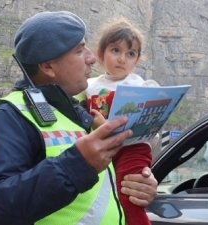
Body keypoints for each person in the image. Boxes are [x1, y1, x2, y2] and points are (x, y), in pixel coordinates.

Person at [0, 11, 158, 225]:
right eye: (79, 51)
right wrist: (76, 166)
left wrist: (138, 185)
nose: (92, 58)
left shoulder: (83, 112)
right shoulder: (6, 117)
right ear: (47, 67)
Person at [77, 17, 159, 225]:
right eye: (115, 50)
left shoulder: (141, 86)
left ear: (137, 60)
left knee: (129, 195)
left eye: (130, 54)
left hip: (134, 147)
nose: (122, 59)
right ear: (101, 53)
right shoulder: (88, 86)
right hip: (102, 149)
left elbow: (154, 130)